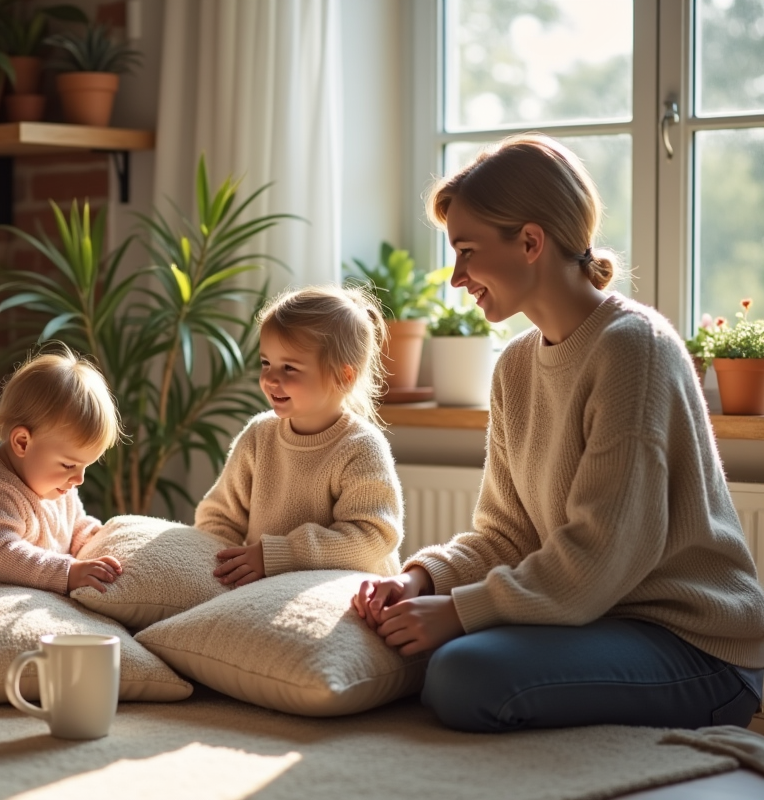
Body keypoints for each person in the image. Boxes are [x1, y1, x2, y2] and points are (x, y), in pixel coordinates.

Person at [353, 134, 764, 731]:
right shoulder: (516, 366)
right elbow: (506, 534)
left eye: (466, 251)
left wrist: (458, 613)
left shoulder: (633, 349)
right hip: (598, 621)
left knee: (462, 673)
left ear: (529, 241)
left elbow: (600, 556)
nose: (457, 277)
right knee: (433, 651)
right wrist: (420, 579)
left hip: (694, 644)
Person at [195, 285, 404, 588]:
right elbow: (218, 518)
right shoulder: (258, 436)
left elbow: (372, 537)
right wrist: (222, 569)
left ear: (344, 376)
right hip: (262, 591)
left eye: (289, 368)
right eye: (266, 363)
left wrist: (276, 555)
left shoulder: (361, 446)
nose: (269, 378)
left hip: (347, 591)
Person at [0, 349, 124, 595]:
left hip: (16, 591)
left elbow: (76, 527)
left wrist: (103, 541)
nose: (79, 479)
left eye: (86, 466)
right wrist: (69, 572)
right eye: (69, 465)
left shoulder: (56, 485)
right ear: (22, 442)